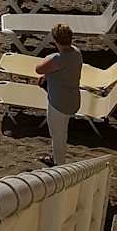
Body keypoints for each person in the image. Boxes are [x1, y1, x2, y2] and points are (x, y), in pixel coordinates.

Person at [35, 23, 82, 166]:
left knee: (58, 136)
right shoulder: (77, 53)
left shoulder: (57, 58)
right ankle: (56, 158)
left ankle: (59, 164)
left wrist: (50, 57)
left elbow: (38, 69)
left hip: (59, 104)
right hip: (73, 99)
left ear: (55, 40)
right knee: (61, 132)